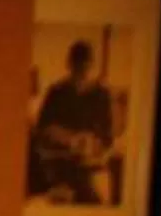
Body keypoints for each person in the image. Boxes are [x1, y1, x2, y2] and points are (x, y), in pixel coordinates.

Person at [28, 38, 117, 203]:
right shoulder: (56, 93)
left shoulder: (102, 95)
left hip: (90, 167)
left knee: (95, 200)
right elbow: (42, 130)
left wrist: (92, 143)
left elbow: (108, 136)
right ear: (70, 65)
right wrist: (65, 138)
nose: (81, 75)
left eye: (85, 69)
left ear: (91, 66)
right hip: (58, 164)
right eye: (77, 69)